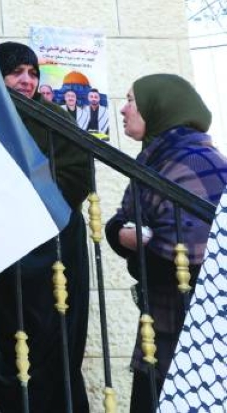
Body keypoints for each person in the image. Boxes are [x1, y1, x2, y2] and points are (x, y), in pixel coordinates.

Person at [0, 42, 92, 412]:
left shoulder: (55, 117)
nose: (26, 81)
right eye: (15, 72)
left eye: (32, 73)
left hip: (49, 249)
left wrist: (30, 200)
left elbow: (77, 175)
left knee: (46, 339)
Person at [105, 74, 227, 413]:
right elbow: (118, 223)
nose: (124, 110)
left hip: (199, 333)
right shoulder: (154, 162)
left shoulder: (196, 163)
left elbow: (190, 259)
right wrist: (128, 239)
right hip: (162, 323)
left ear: (158, 106)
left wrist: (135, 248)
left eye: (131, 101)